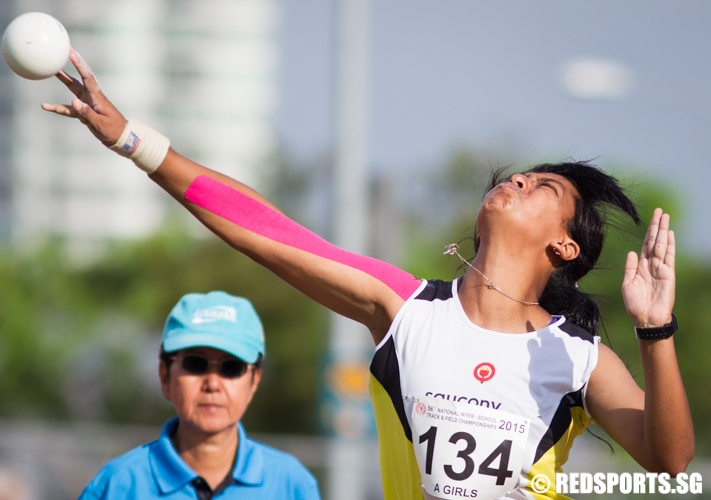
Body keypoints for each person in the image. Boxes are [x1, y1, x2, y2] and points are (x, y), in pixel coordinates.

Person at [48, 49, 693, 500]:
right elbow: (268, 231)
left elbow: (670, 461)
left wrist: (656, 330)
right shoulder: (404, 305)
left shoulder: (578, 356)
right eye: (520, 174)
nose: (519, 178)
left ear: (564, 247)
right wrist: (134, 140)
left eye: (545, 187)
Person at [78, 291, 321, 500]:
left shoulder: (291, 486)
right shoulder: (119, 486)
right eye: (195, 363)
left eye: (232, 367)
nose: (212, 383)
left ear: (254, 380)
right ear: (165, 375)